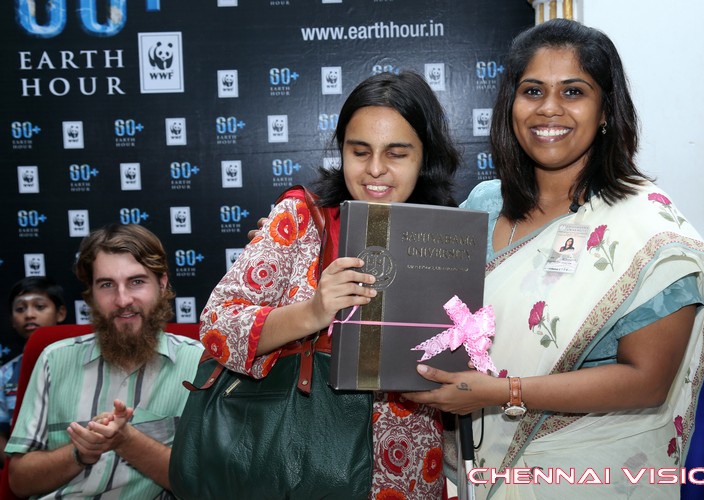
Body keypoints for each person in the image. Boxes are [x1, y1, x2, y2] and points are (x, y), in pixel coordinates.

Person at [404, 19, 704, 499]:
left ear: (606, 111)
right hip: (470, 471)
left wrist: (505, 393)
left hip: (589, 476)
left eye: (573, 91)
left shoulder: (646, 228)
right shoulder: (482, 207)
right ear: (511, 105)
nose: (549, 108)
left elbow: (648, 381)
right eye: (532, 90)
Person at [199, 70, 460, 498]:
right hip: (306, 459)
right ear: (342, 150)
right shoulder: (302, 217)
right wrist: (314, 312)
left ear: (424, 156)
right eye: (360, 151)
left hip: (410, 465)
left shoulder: (448, 234)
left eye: (397, 153)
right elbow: (216, 327)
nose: (375, 169)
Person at [5, 224, 203, 498]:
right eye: (107, 285)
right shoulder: (53, 359)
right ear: (91, 294)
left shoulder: (199, 364)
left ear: (162, 283)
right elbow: (19, 481)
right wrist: (80, 452)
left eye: (137, 281)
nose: (123, 300)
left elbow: (207, 483)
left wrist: (127, 441)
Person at [0, 277, 67, 464]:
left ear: (60, 313)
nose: (29, 315)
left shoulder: (81, 362)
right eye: (20, 309)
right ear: (12, 319)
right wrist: (17, 467)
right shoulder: (5, 373)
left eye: (39, 306)